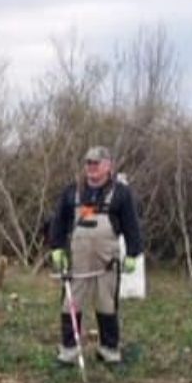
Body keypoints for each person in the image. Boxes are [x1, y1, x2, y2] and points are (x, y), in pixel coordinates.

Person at [49, 146, 144, 364]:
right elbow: (58, 221)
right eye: (88, 164)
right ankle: (69, 352)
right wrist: (56, 248)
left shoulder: (121, 193)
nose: (91, 168)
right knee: (71, 304)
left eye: (96, 164)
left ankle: (109, 350)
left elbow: (132, 225)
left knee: (106, 304)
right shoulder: (72, 191)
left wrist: (133, 253)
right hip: (78, 260)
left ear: (108, 166)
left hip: (106, 261)